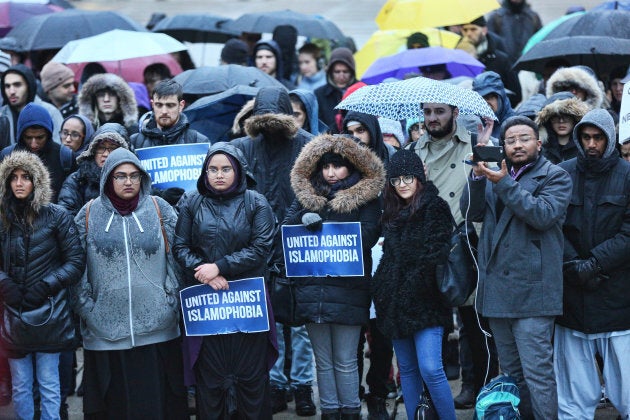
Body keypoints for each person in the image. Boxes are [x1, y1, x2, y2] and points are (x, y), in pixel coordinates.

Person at [461, 116, 572, 419]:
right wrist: (475, 176)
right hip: (498, 289)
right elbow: (470, 212)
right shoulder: (496, 173)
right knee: (510, 373)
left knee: (538, 373)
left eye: (524, 138)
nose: (517, 145)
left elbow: (542, 215)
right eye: (510, 140)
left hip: (534, 292)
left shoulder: (556, 176)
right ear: (503, 146)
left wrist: (504, 182)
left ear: (538, 143)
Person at [72, 147, 187, 419]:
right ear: (107, 180)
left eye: (134, 176)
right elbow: (76, 270)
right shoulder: (88, 214)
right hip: (106, 334)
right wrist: (89, 310)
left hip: (158, 331)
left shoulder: (160, 209)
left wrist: (170, 300)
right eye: (120, 176)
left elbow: (179, 260)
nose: (128, 182)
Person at [173, 142, 277, 419]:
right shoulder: (192, 201)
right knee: (211, 380)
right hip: (206, 303)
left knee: (251, 379)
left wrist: (219, 267)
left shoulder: (256, 202)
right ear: (204, 172)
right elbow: (180, 247)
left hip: (247, 302)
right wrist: (202, 270)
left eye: (226, 169)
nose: (219, 175)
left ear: (239, 170)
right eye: (213, 169)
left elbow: (261, 248)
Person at [405, 102, 498, 409]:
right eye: (427, 112)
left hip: (468, 244)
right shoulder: (413, 151)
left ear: (455, 113)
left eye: (439, 112)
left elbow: (496, 191)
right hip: (429, 247)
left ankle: (480, 390)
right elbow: (398, 201)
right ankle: (433, 400)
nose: (432, 118)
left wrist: (486, 156)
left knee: (476, 326)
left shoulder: (476, 143)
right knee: (434, 328)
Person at [285, 133, 385, 419]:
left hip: (349, 291)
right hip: (312, 291)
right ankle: (329, 411)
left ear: (351, 167)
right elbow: (285, 231)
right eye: (325, 167)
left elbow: (367, 235)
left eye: (337, 166)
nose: (330, 173)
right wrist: (303, 219)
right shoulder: (306, 197)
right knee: (323, 361)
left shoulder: (367, 201)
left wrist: (328, 222)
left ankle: (351, 411)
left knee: (345, 360)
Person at [230, 86, 315, 416]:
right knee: (272, 321)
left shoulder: (307, 145)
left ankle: (303, 385)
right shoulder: (243, 148)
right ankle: (278, 383)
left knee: (301, 320)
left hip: (299, 239)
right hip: (259, 242)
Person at [555, 109, 630, 418]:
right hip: (573, 296)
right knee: (573, 395)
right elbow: (552, 225)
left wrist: (595, 264)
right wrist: (575, 264)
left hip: (617, 295)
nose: (591, 144)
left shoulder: (627, 175)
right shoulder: (561, 173)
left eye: (598, 137)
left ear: (609, 139)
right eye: (585, 137)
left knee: (627, 385)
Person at [0, 150, 84, 420]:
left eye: (26, 177)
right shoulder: (1, 219)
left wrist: (46, 285)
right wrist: (4, 284)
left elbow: (75, 261)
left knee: (49, 384)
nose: (19, 183)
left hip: (50, 313)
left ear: (37, 181)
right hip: (12, 313)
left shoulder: (57, 216)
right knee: (21, 386)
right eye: (13, 178)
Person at [372, 149, 455, 420]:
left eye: (408, 177)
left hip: (426, 304)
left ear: (419, 176)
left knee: (431, 368)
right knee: (407, 370)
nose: (402, 184)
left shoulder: (436, 207)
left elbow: (436, 255)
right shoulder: (393, 213)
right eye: (395, 180)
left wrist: (408, 291)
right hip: (395, 307)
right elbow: (387, 260)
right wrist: (382, 292)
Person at [0, 102, 75, 203]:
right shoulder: (7, 155)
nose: (33, 144)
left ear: (48, 134)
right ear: (21, 136)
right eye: (28, 138)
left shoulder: (65, 157)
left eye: (40, 137)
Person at [58, 123, 130, 217]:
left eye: (112, 148)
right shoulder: (77, 180)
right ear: (93, 151)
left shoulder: (135, 180)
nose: (105, 154)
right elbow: (65, 217)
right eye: (101, 148)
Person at [460, 17, 522, 107]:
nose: (468, 34)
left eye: (473, 29)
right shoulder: (458, 58)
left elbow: (516, 95)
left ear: (484, 30)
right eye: (465, 30)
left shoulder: (500, 59)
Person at [131, 79, 208, 149]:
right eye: (159, 105)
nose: (164, 111)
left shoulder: (198, 141)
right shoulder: (135, 142)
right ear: (152, 105)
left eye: (170, 105)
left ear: (181, 106)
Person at [0, 64, 64, 147]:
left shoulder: (50, 112)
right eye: (7, 86)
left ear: (29, 86)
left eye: (17, 85)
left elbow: (60, 148)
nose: (12, 91)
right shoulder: (2, 115)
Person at [535, 92, 589, 164]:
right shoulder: (540, 148)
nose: (561, 121)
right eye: (555, 117)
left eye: (567, 117)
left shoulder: (584, 146)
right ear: (548, 121)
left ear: (575, 119)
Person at [487, 0, 542, 64]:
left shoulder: (533, 17)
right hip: (504, 66)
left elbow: (539, 41)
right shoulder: (496, 17)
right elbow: (490, 43)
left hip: (527, 65)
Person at [314, 47, 357, 128]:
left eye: (345, 71)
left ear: (351, 71)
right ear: (331, 72)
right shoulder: (320, 94)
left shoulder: (361, 89)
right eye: (337, 72)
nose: (341, 75)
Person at [472, 71, 515, 139]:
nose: (485, 104)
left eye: (489, 97)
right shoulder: (473, 123)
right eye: (480, 99)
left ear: (501, 97)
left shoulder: (514, 124)